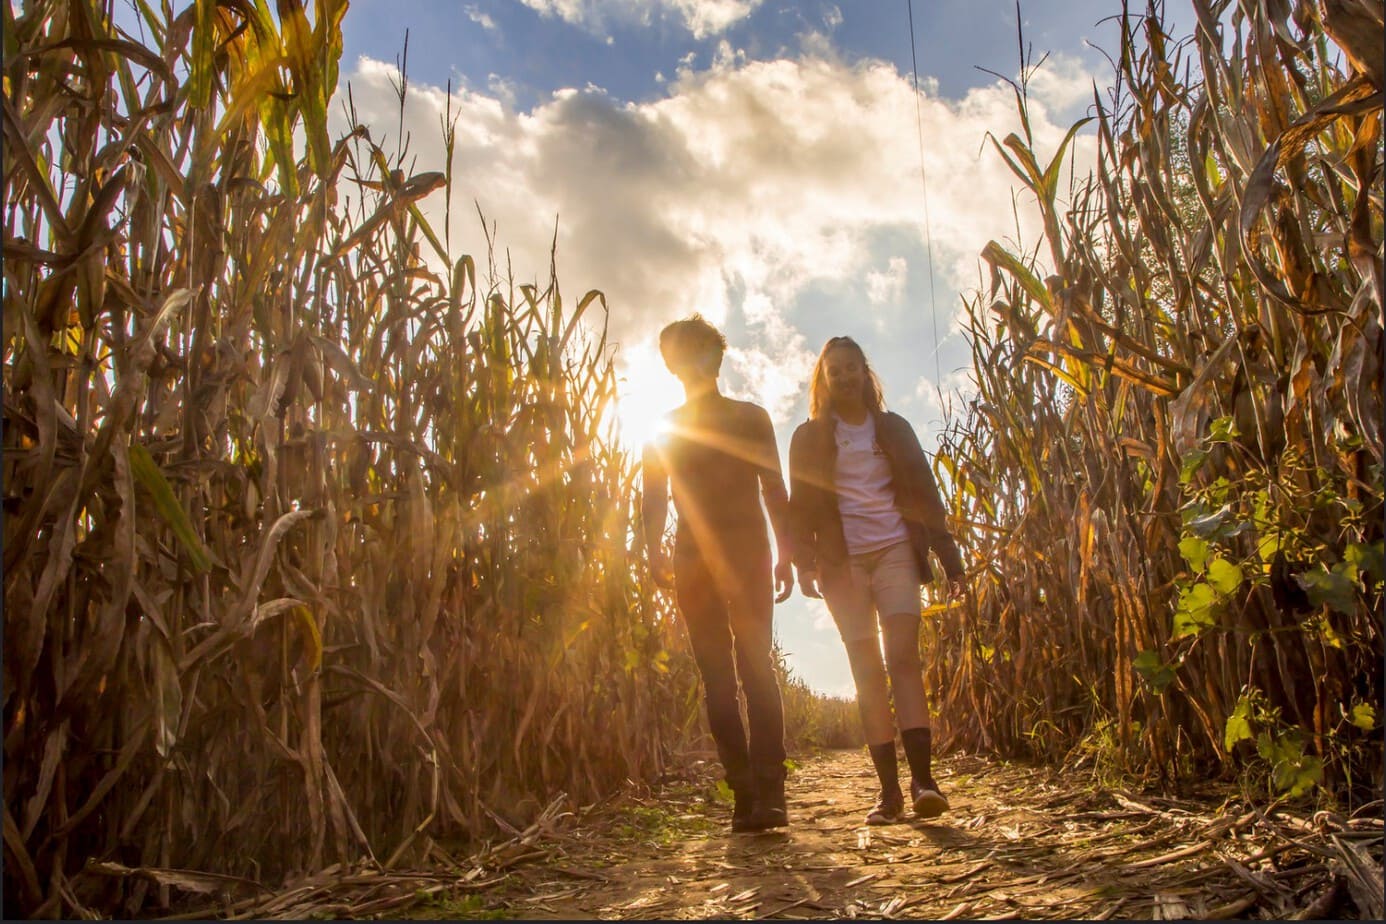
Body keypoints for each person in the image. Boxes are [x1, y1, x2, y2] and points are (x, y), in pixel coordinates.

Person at [788, 336, 966, 825]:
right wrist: (802, 561)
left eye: (852, 368)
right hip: (841, 564)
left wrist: (950, 558)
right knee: (867, 672)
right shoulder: (807, 438)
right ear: (823, 380)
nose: (844, 377)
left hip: (894, 552)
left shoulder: (893, 429)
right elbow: (799, 504)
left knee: (903, 660)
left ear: (865, 372)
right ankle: (888, 794)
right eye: (835, 371)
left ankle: (923, 781)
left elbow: (927, 494)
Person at [641, 315, 795, 833]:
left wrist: (787, 550)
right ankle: (744, 793)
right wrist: (652, 551)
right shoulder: (662, 428)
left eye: (690, 351)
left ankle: (770, 793)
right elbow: (654, 497)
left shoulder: (751, 417)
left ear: (714, 356)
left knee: (756, 672)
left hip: (749, 555)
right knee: (718, 682)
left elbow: (774, 487)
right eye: (673, 355)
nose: (682, 362)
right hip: (693, 562)